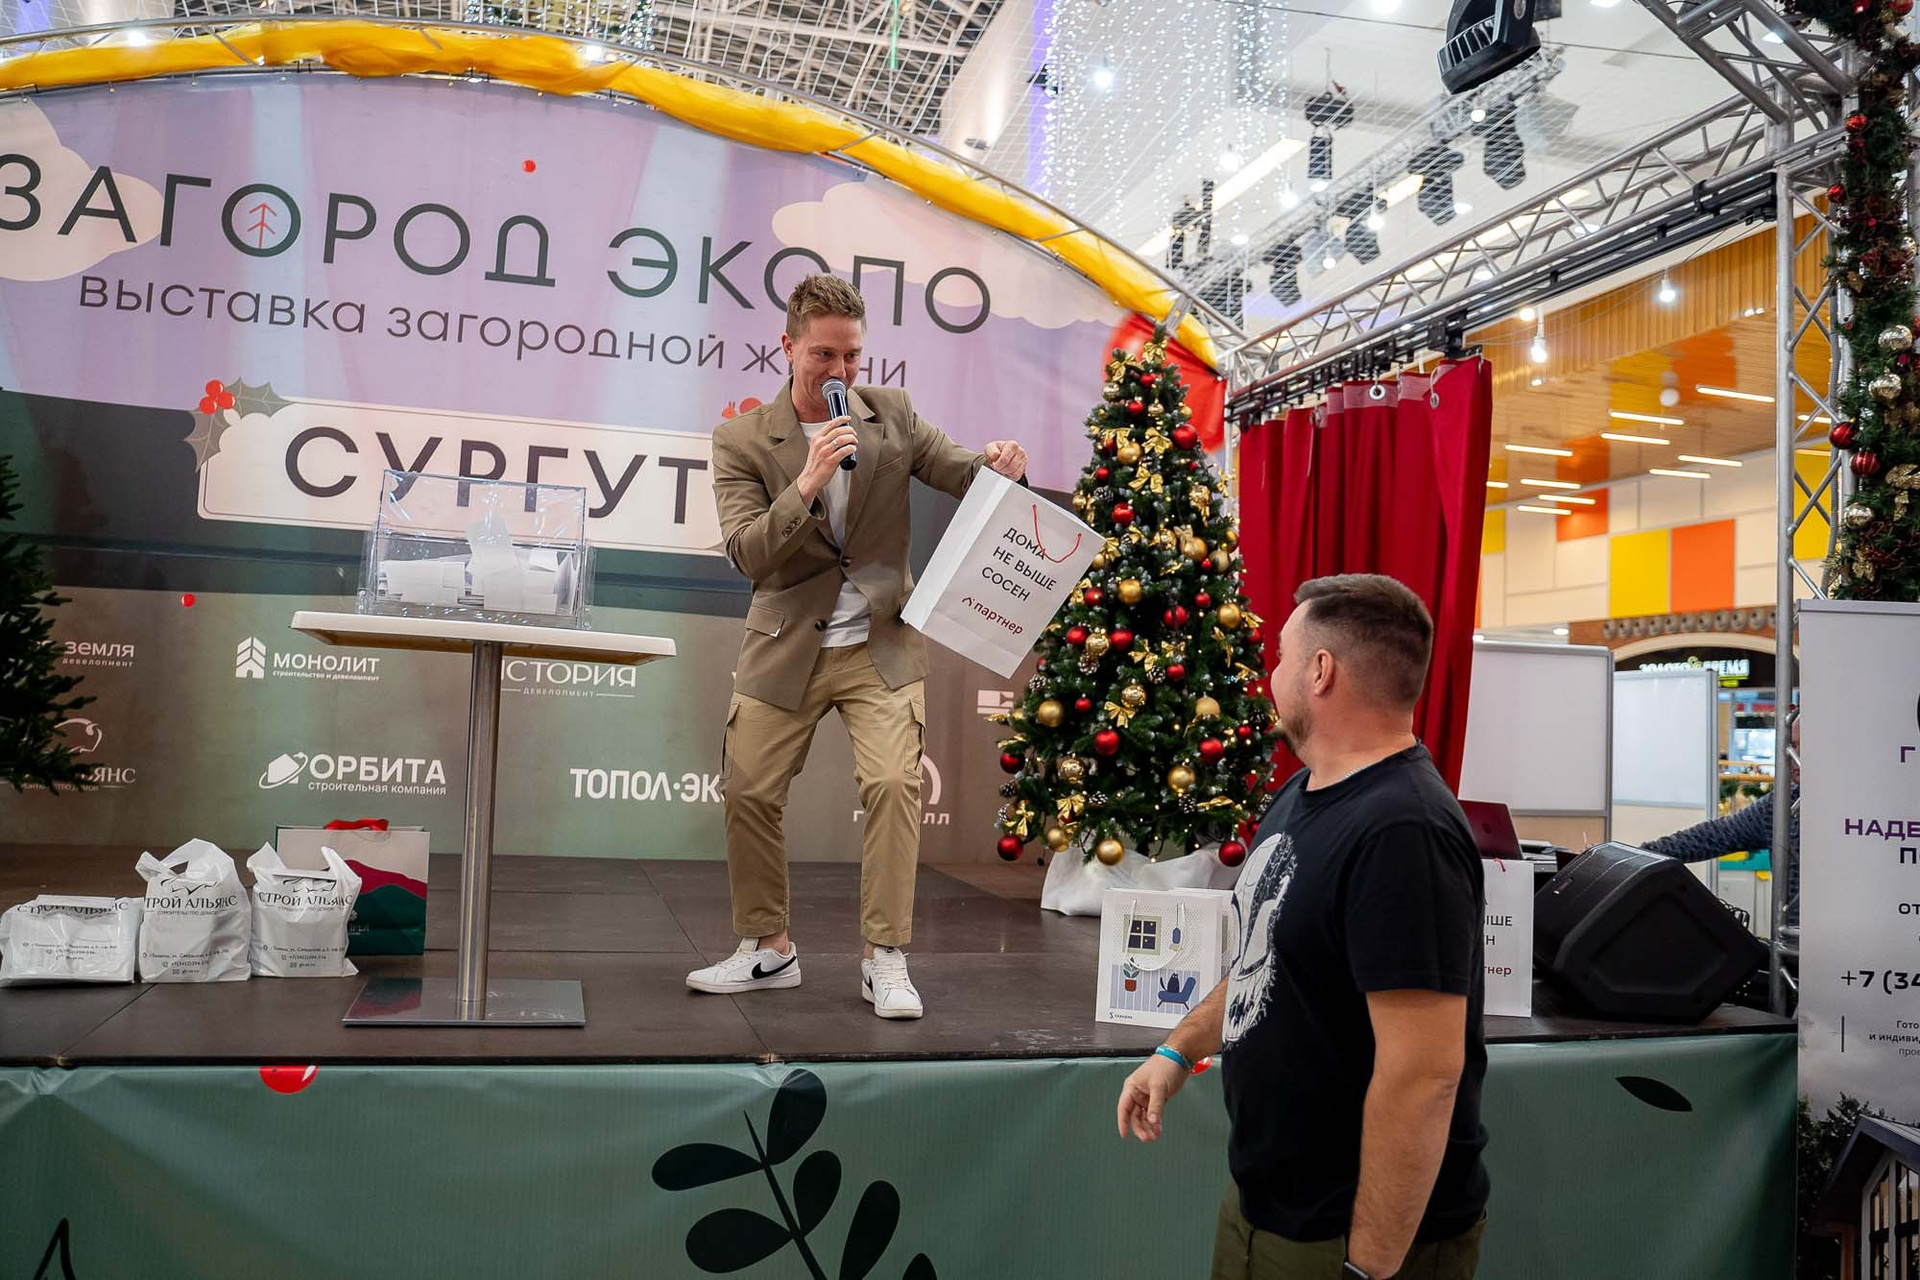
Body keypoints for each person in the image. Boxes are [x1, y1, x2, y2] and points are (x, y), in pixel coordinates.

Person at [1115, 573, 1490, 1280]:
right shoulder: (1303, 793)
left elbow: (1423, 1077)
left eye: (1282, 657)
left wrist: (1366, 1269)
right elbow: (1268, 960)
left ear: (1321, 671)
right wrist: (1176, 1053)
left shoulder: (1404, 831)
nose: (1271, 675)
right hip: (1268, 1207)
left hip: (1346, 1240)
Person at [684, 273, 1029, 1020]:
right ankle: (768, 948)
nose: (840, 370)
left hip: (881, 642)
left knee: (895, 786)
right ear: (787, 347)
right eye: (824, 355)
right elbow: (748, 553)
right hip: (786, 644)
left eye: (852, 356)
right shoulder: (742, 439)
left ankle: (886, 957)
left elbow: (963, 473)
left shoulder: (892, 415)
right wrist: (806, 482)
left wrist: (1000, 465)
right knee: (749, 791)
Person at [1644, 718, 1800, 925]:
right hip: (1793, 940)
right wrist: (1640, 856)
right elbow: (1712, 836)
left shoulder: (1843, 809)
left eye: (1803, 746)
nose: (1794, 756)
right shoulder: (1779, 805)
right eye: (1792, 746)